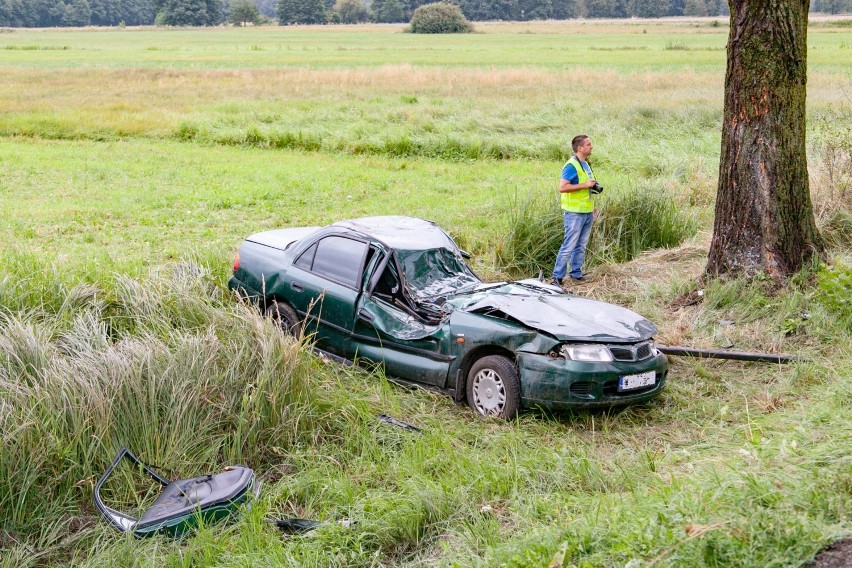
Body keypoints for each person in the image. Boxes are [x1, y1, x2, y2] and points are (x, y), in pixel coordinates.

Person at [552, 134, 597, 286]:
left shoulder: (585, 164)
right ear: (580, 148)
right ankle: (557, 277)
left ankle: (576, 274)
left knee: (581, 245)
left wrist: (592, 207)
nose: (591, 146)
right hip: (574, 213)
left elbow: (587, 188)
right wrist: (585, 185)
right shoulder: (571, 165)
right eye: (588, 144)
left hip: (586, 211)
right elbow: (562, 187)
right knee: (569, 245)